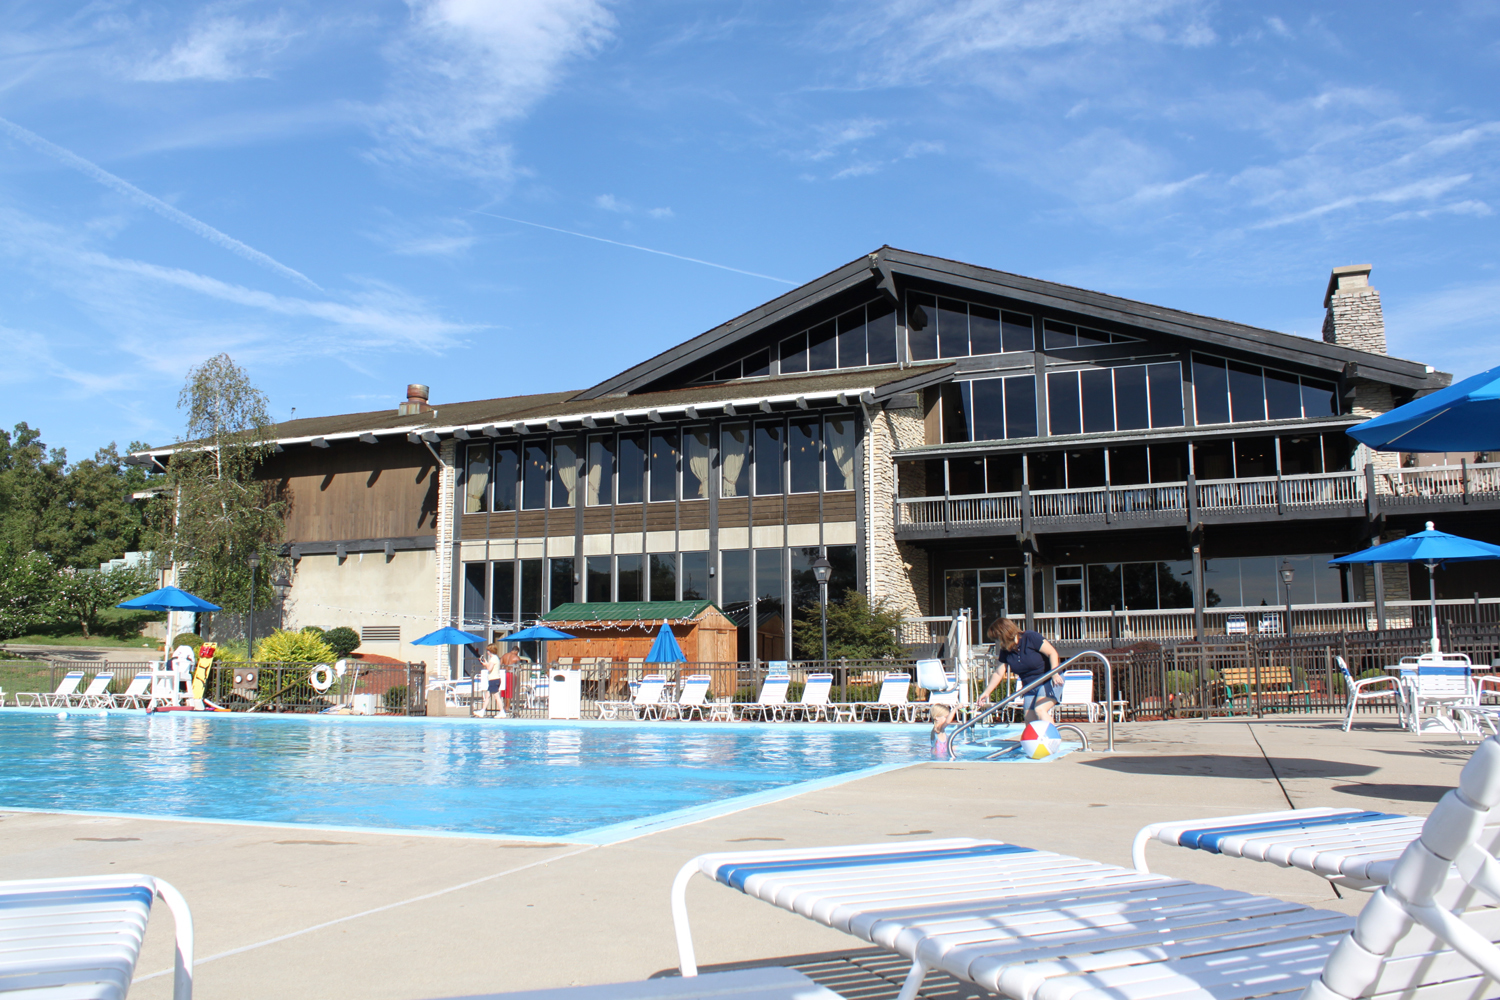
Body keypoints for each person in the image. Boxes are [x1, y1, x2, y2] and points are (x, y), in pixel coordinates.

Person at [977, 617, 1061, 724]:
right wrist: (986, 692)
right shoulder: (1006, 650)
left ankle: (1053, 735)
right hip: (1030, 685)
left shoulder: (1030, 637)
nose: (998, 642)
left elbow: (1052, 653)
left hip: (1048, 680)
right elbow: (998, 673)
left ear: (1005, 633)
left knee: (1040, 710)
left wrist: (1054, 673)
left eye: (998, 638)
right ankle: (1037, 736)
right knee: (1029, 719)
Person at [480, 643, 508, 718]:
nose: (487, 652)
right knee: (488, 696)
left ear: (490, 651)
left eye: (487, 650)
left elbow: (489, 668)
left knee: (496, 697)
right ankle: (482, 711)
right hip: (494, 679)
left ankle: (502, 712)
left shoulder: (493, 659)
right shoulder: (495, 658)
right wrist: (486, 663)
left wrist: (485, 664)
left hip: (494, 679)